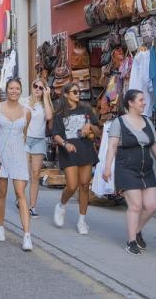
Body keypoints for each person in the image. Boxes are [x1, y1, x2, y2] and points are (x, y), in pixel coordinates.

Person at [102, 90, 156, 255]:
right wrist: (107, 167)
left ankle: (137, 230)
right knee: (135, 205)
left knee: (152, 205)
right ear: (130, 103)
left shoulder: (147, 121)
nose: (144, 103)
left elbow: (154, 144)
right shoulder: (119, 122)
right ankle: (131, 241)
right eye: (141, 100)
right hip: (127, 168)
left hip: (146, 169)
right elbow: (112, 146)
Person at [51, 82, 100, 235]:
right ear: (66, 94)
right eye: (74, 92)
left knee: (84, 185)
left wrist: (90, 127)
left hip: (85, 149)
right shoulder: (60, 112)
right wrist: (65, 144)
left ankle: (82, 221)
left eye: (79, 91)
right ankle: (61, 205)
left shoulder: (86, 109)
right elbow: (56, 135)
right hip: (69, 150)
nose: (78, 94)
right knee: (72, 186)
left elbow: (98, 130)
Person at [0, 78, 33, 250]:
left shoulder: (26, 112)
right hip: (1, 152)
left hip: (19, 154)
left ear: (20, 91)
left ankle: (27, 235)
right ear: (6, 90)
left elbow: (25, 133)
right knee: (2, 192)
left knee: (21, 192)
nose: (14, 91)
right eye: (11, 88)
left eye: (17, 88)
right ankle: (0, 226)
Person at [23, 78, 53, 218]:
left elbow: (49, 117)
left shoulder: (44, 104)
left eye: (41, 88)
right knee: (23, 173)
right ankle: (20, 197)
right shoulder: (24, 101)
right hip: (24, 139)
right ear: (31, 86)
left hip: (39, 140)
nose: (38, 89)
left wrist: (46, 97)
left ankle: (32, 206)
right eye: (36, 86)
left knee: (35, 174)